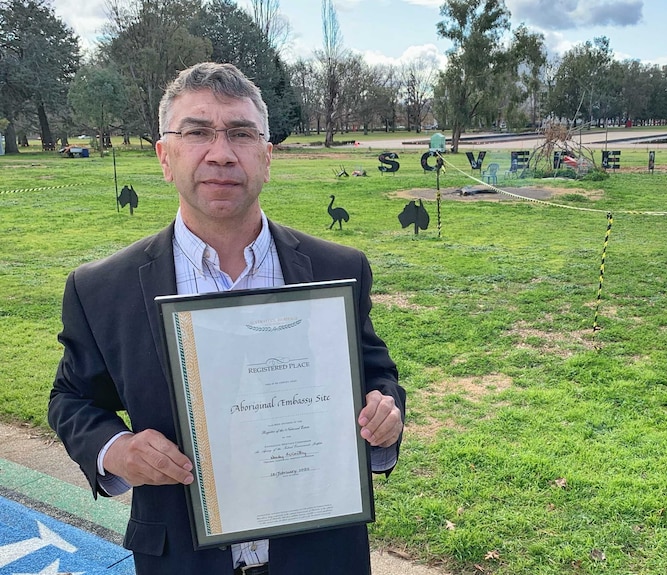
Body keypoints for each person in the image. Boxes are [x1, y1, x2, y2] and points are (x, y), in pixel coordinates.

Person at [48, 62, 405, 575]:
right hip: (180, 559)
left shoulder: (337, 269)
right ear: (165, 157)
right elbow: (71, 398)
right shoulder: (101, 288)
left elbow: (376, 376)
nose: (221, 153)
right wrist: (115, 450)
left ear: (266, 157)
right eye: (197, 133)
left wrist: (386, 414)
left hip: (321, 555)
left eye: (241, 133)